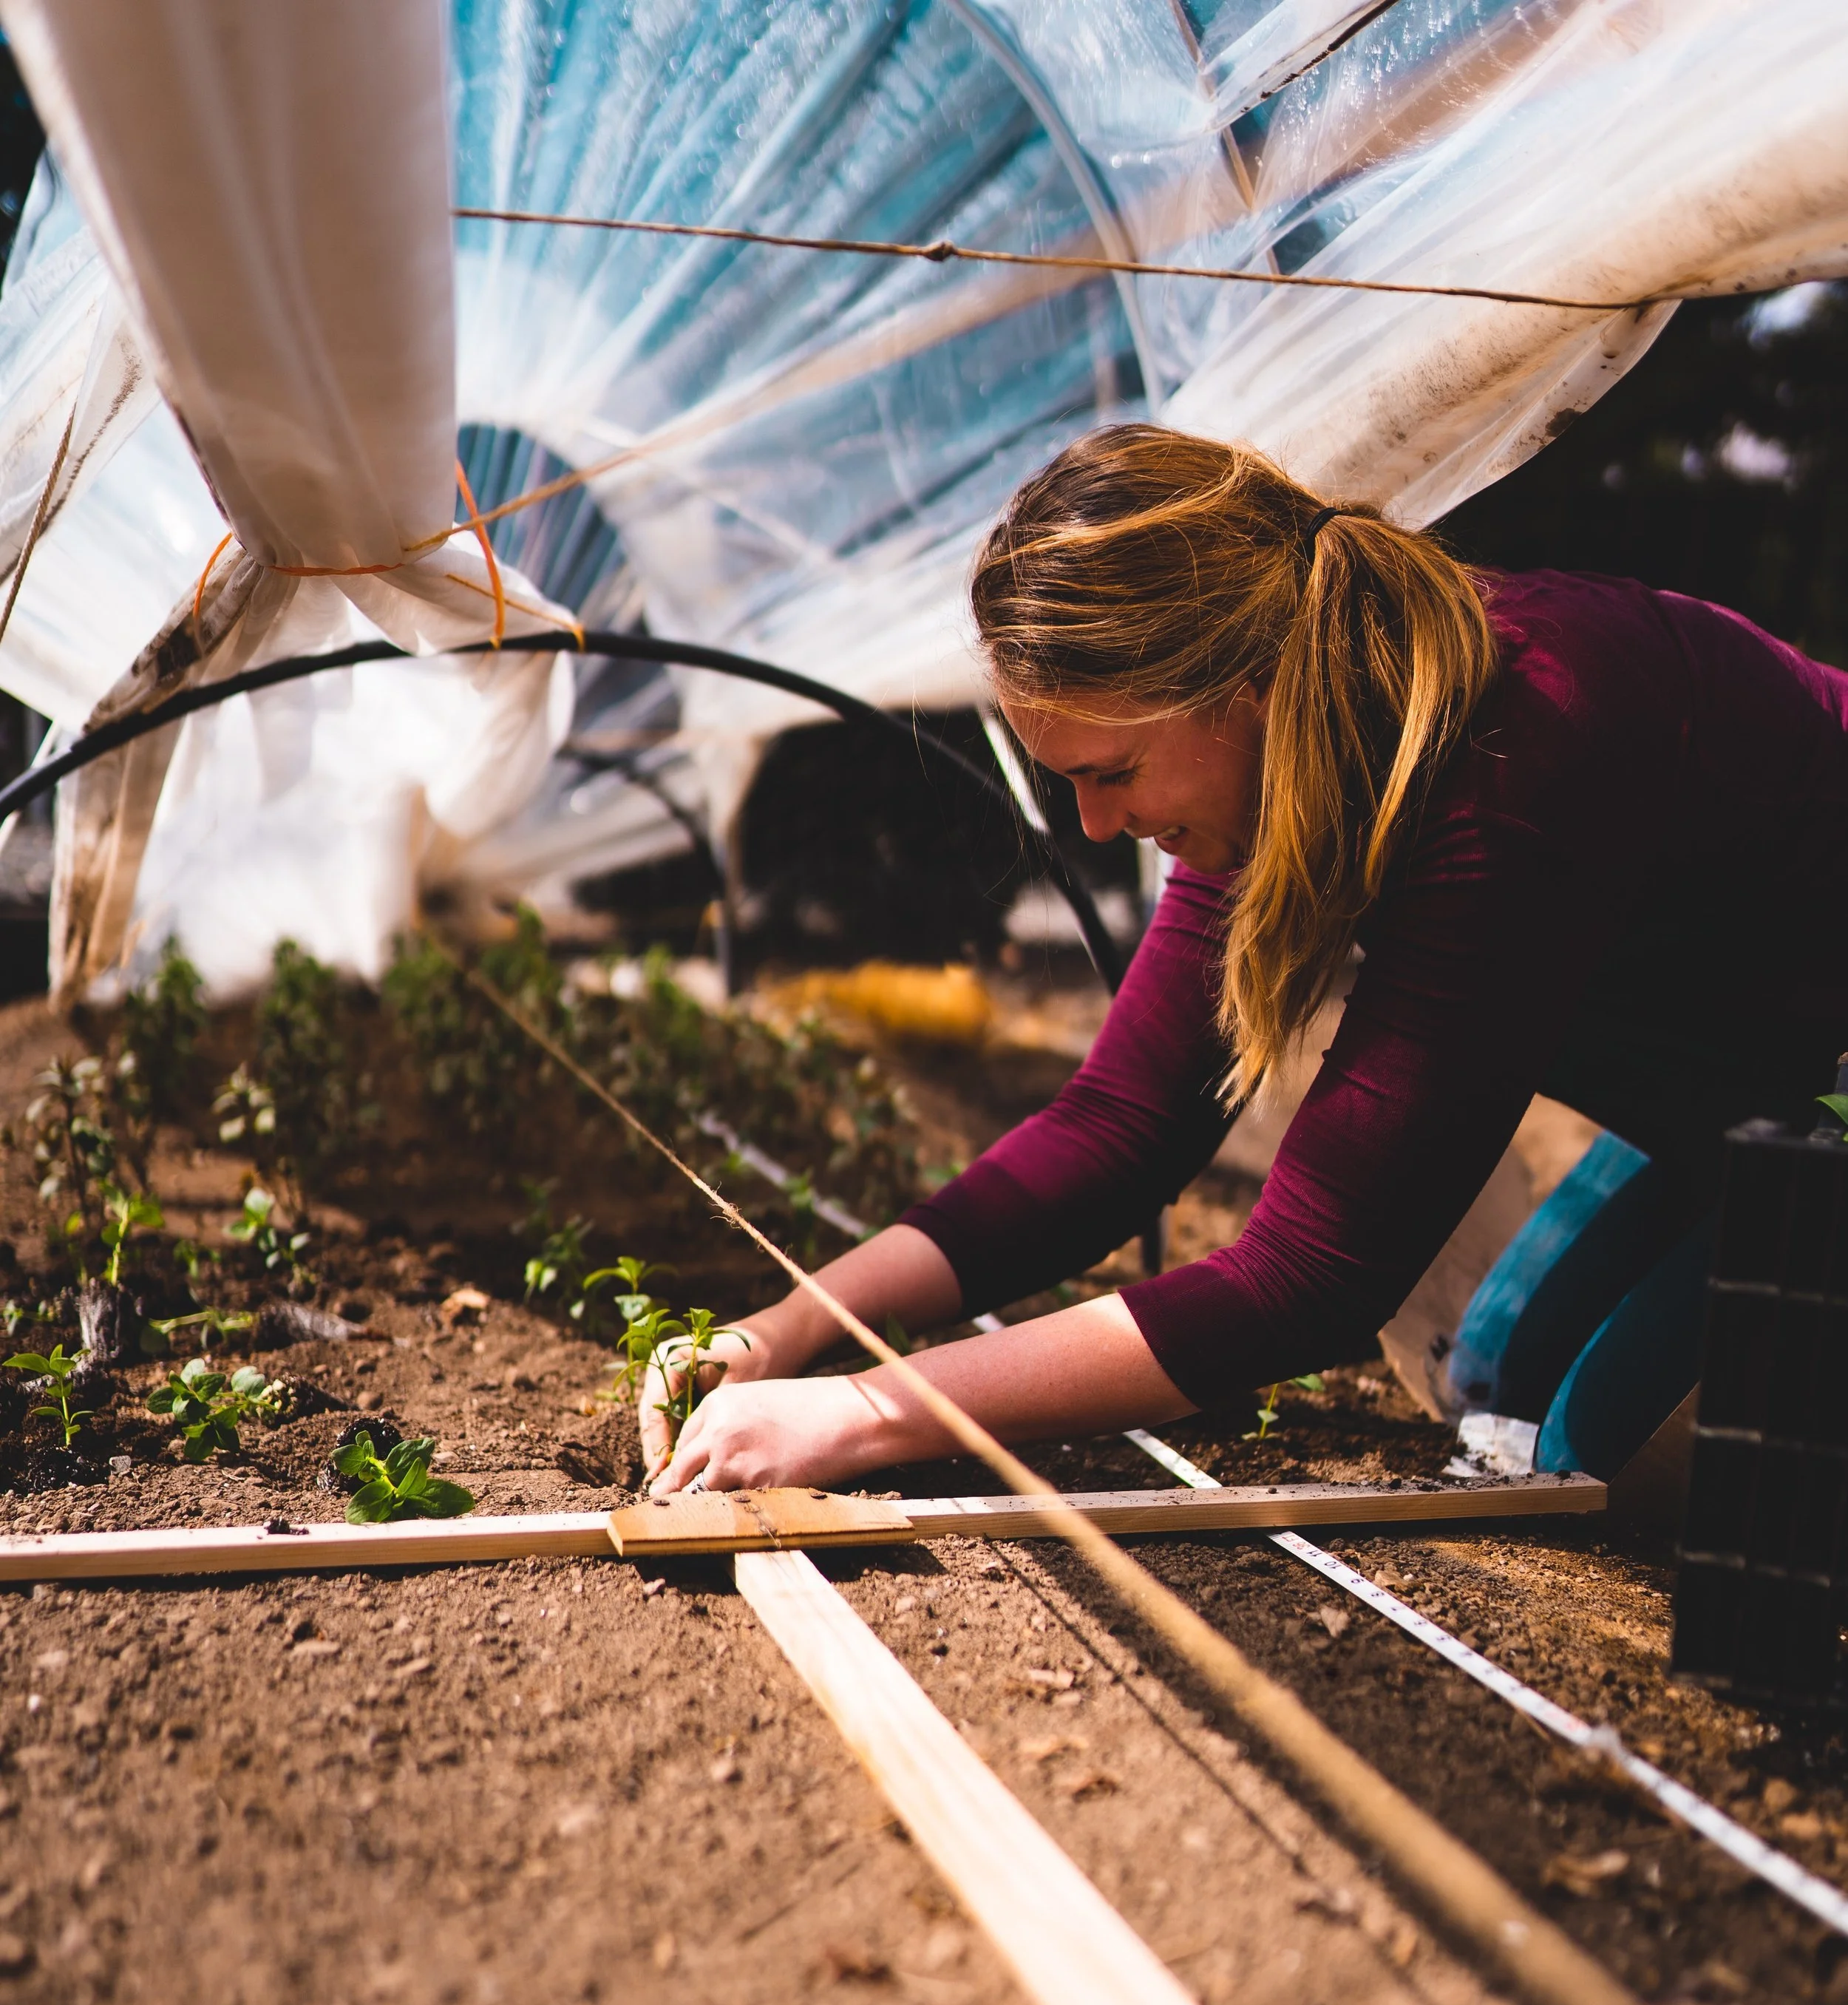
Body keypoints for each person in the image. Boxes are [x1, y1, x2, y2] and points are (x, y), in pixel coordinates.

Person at [643, 424, 1848, 1495]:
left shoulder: (1503, 760)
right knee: (1498, 1381)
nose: (1098, 828)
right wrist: (791, 1330)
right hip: (1748, 1094)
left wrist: (865, 1418)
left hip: (1819, 1093)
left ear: (1243, 691)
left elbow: (1311, 1277)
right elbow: (1117, 1126)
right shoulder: (1282, 758)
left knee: (1606, 1457)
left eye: (1109, 775)